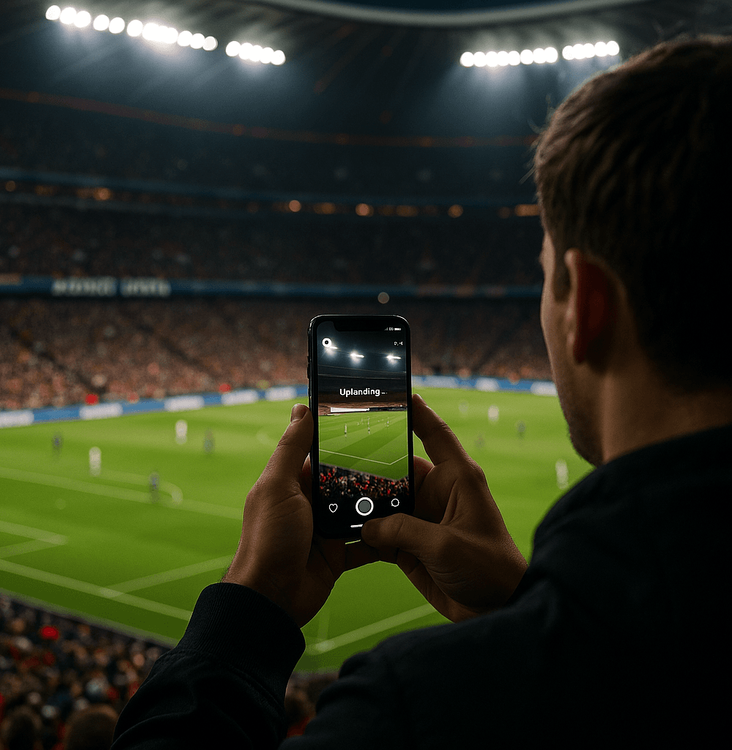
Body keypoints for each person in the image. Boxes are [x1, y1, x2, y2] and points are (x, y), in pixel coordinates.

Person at [111, 36, 732, 748]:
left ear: (582, 304)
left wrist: (245, 616)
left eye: (544, 273)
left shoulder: (421, 711)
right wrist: (521, 607)